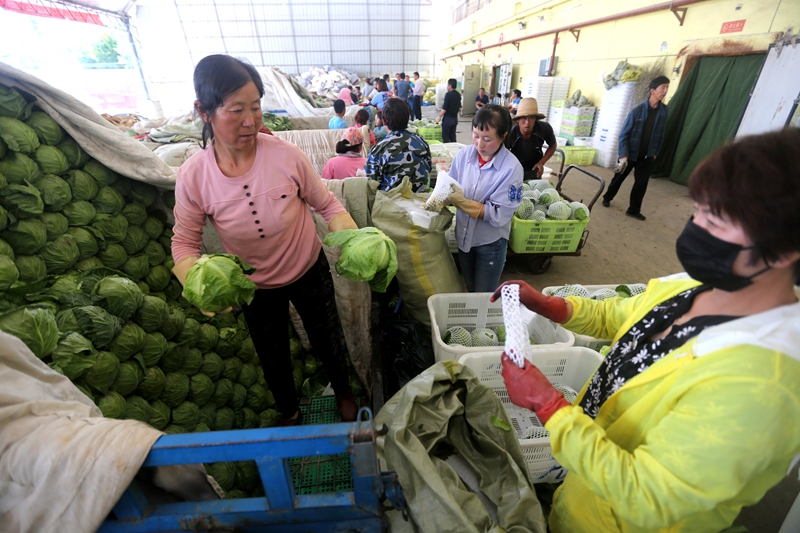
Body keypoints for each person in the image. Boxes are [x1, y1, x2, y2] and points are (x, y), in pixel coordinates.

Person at [494, 128, 800, 533]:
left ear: (784, 251)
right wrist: (552, 305)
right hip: (587, 484)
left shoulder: (763, 387)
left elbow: (649, 497)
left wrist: (549, 406)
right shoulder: (700, 284)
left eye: (718, 220)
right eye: (699, 210)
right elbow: (621, 316)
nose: (696, 228)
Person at [171, 55, 360, 426]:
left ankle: (344, 392)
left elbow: (327, 204)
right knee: (271, 353)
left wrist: (352, 236)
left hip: (308, 268)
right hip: (254, 286)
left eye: (256, 107)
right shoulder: (194, 176)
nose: (250, 121)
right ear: (204, 112)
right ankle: (289, 412)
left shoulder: (286, 155)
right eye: (236, 110)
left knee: (329, 338)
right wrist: (199, 284)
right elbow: (184, 244)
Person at [447, 105, 523, 292]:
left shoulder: (511, 169)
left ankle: (481, 321)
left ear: (503, 136)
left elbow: (498, 213)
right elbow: (451, 184)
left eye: (487, 139)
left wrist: (461, 202)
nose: (479, 144)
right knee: (470, 285)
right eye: (475, 135)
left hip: (490, 243)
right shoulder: (464, 155)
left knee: (483, 294)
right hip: (464, 236)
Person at [602, 75, 670, 221]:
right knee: (618, 178)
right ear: (652, 90)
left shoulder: (664, 111)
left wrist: (655, 152)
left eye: (667, 88)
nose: (665, 91)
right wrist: (623, 154)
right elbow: (624, 134)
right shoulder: (637, 111)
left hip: (647, 155)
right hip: (631, 153)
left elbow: (661, 134)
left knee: (641, 184)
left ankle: (633, 210)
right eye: (662, 87)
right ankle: (607, 197)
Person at [365, 98, 431, 192]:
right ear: (408, 118)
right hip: (420, 202)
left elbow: (371, 184)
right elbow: (428, 169)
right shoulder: (421, 142)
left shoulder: (379, 150)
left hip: (390, 204)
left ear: (384, 121)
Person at [505, 98, 557, 179]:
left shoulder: (544, 129)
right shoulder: (512, 133)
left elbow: (553, 145)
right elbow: (504, 153)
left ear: (535, 118)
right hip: (515, 168)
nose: (527, 123)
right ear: (518, 120)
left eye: (531, 117)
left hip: (535, 168)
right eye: (523, 118)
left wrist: (541, 163)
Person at [439, 78, 461, 143]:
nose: (447, 86)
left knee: (445, 137)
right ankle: (454, 150)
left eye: (447, 85)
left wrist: (439, 116)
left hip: (448, 119)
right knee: (453, 137)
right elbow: (460, 106)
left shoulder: (448, 95)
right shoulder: (458, 94)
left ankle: (448, 151)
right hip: (455, 119)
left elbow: (444, 108)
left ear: (450, 85)